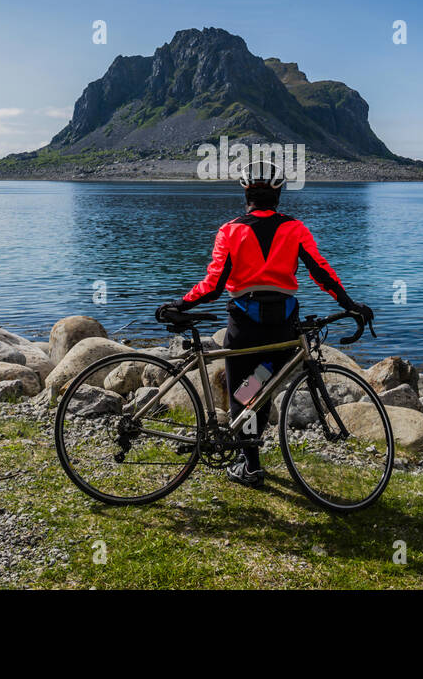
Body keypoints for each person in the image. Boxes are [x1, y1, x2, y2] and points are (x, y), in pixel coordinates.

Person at [156, 159, 372, 488]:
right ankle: (249, 460)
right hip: (282, 323)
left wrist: (181, 304)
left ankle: (251, 464)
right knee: (259, 388)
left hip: (244, 325)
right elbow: (320, 271)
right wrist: (349, 304)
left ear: (246, 193)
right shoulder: (295, 229)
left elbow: (213, 286)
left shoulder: (230, 230)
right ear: (279, 194)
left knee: (244, 394)